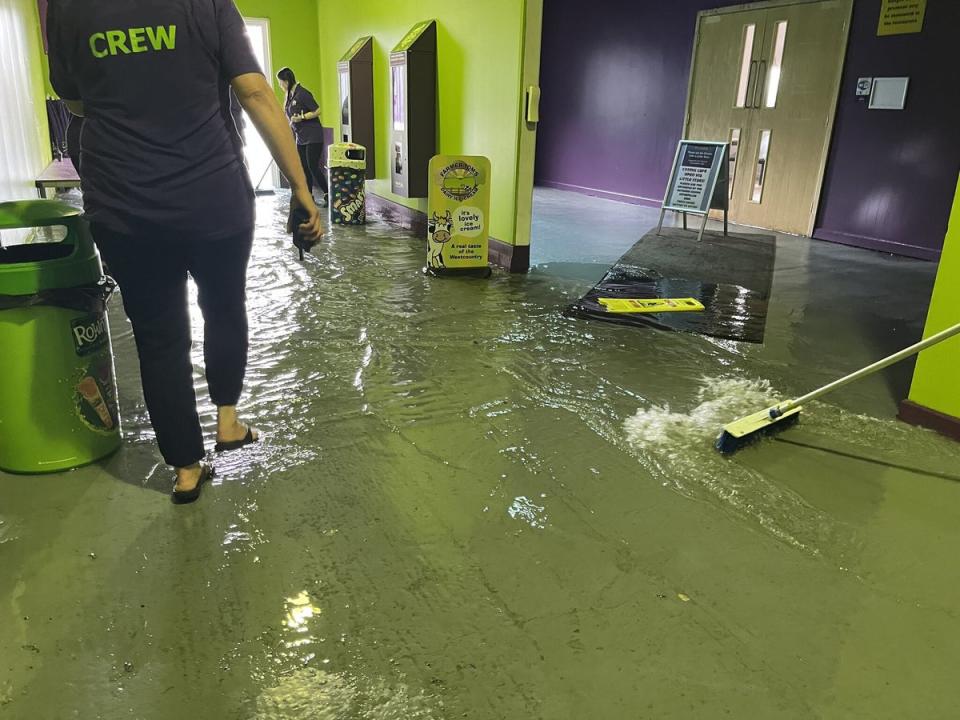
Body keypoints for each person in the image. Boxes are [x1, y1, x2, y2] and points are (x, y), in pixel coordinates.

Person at [46, 0, 323, 504]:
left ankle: (186, 468)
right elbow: (256, 91)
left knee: (158, 339)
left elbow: (77, 102)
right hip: (212, 197)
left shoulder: (67, 7)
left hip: (124, 205)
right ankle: (228, 422)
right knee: (223, 309)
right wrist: (301, 187)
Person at [276, 67, 329, 207]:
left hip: (313, 135)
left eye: (281, 82)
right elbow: (286, 113)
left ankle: (327, 193)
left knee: (312, 166)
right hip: (301, 137)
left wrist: (302, 117)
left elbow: (318, 110)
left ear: (287, 81)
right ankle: (308, 196)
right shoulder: (289, 96)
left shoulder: (302, 93)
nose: (280, 85)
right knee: (303, 167)